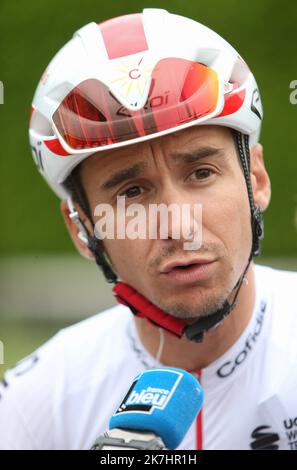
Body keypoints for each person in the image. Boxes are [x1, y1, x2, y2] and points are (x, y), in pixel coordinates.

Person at [0, 8, 296, 450]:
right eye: (132, 192)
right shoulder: (35, 402)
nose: (178, 226)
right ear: (82, 228)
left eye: (200, 173)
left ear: (256, 180)